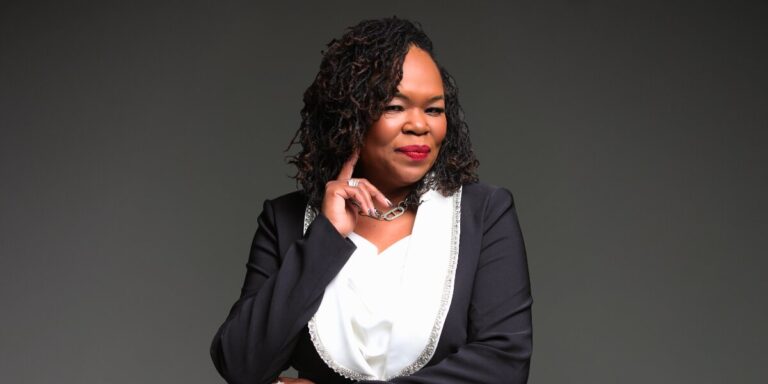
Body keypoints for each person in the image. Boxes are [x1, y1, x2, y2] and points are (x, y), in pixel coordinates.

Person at [210, 17, 532, 384]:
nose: (419, 125)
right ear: (349, 116)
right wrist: (326, 237)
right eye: (395, 106)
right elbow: (241, 365)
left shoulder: (484, 214)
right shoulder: (285, 219)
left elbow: (503, 365)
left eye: (434, 109)